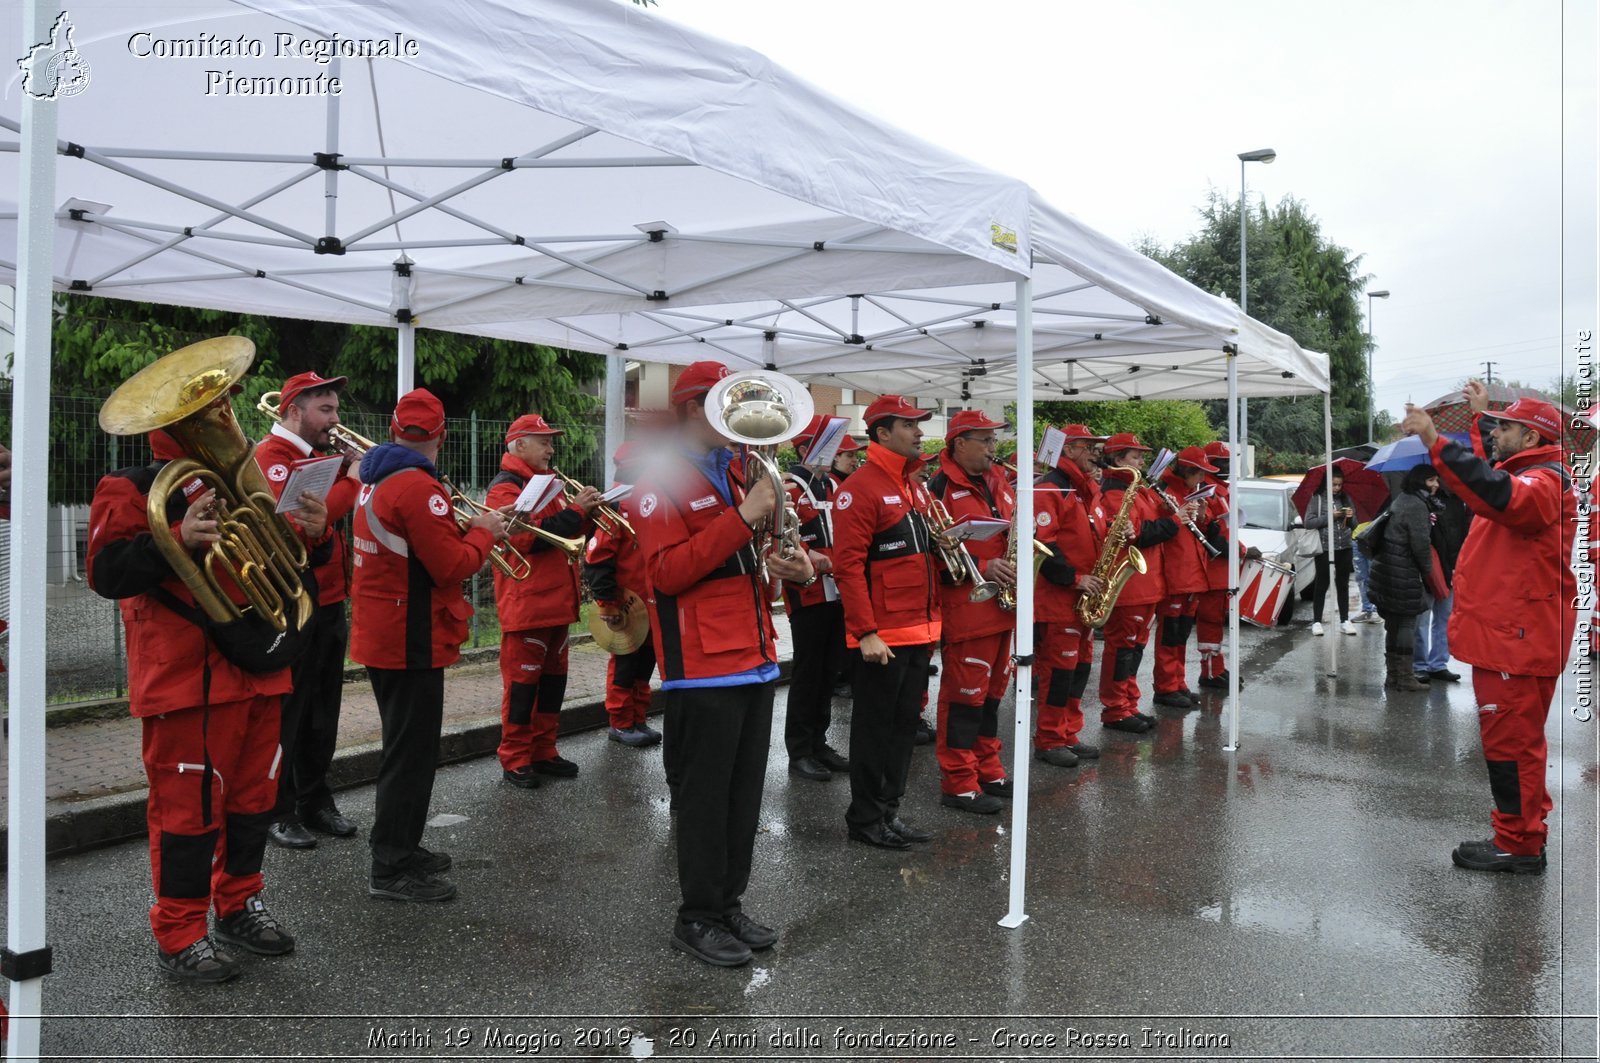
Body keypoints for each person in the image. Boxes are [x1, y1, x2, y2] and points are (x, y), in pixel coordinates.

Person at [88, 403, 326, 982]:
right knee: (187, 815)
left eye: (222, 403)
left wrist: (312, 537)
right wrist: (174, 537)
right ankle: (180, 933)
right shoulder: (130, 487)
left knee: (254, 800)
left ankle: (239, 902)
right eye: (205, 408)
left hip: (259, 667)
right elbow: (104, 572)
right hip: (186, 678)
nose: (223, 412)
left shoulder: (238, 481)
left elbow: (280, 561)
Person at [633, 361, 814, 967]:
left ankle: (728, 902)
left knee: (743, 797)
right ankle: (698, 915)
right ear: (692, 410)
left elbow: (741, 565)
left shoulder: (738, 471)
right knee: (708, 801)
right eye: (725, 408)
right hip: (704, 663)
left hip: (754, 654)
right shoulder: (658, 478)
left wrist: (786, 567)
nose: (743, 424)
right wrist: (744, 517)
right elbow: (667, 574)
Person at [1403, 384, 1576, 874]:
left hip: (1516, 642)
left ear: (1530, 435)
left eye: (1504, 426)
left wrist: (1438, 440)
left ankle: (1519, 845)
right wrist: (1480, 419)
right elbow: (1493, 478)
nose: (1495, 433)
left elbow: (1496, 491)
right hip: (1513, 638)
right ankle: (1519, 834)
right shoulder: (1533, 472)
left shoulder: (1543, 483)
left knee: (1512, 748)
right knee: (1515, 745)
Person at [351, 389, 507, 902]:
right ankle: (391, 866)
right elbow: (452, 566)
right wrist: (484, 532)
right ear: (442, 435)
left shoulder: (374, 478)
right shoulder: (419, 488)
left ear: (395, 430)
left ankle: (401, 846)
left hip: (386, 630)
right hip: (409, 636)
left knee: (408, 751)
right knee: (411, 756)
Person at [255, 371, 362, 850]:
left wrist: (345, 470)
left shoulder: (315, 457)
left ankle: (316, 800)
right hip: (293, 605)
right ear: (294, 410)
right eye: (326, 410)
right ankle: (277, 810)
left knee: (323, 711)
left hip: (330, 601)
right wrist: (352, 480)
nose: (335, 420)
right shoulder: (273, 458)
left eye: (335, 409)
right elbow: (307, 521)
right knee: (289, 713)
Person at [832, 395, 941, 848]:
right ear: (882, 433)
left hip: (919, 628)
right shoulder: (861, 487)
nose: (919, 432)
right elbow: (848, 567)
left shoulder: (913, 483)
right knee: (876, 729)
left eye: (919, 425)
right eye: (910, 425)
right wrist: (866, 632)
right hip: (885, 635)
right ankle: (865, 818)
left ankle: (888, 811)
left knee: (903, 730)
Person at [487, 414, 600, 788]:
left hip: (556, 604)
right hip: (528, 605)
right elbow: (529, 538)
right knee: (522, 688)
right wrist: (576, 512)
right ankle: (515, 757)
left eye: (551, 441)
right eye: (543, 441)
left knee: (553, 684)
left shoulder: (545, 484)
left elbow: (568, 529)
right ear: (519, 444)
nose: (551, 449)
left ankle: (544, 749)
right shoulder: (506, 489)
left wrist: (590, 515)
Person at [927, 410, 1016, 813]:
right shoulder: (938, 487)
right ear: (960, 443)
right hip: (968, 608)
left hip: (1002, 606)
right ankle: (959, 782)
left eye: (994, 441)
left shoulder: (999, 481)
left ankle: (987, 766)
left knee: (993, 695)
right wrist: (982, 568)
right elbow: (931, 553)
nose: (993, 449)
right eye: (986, 441)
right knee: (965, 698)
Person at [780, 415, 852, 781]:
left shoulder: (834, 488)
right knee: (808, 673)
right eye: (830, 446)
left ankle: (819, 742)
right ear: (807, 450)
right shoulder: (789, 488)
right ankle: (800, 750)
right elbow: (779, 538)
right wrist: (809, 552)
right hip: (807, 593)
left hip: (838, 590)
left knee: (829, 670)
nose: (838, 453)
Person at [1031, 424, 1107, 766]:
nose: (1096, 452)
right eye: (1089, 446)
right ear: (1071, 449)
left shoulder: (1086, 488)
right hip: (1061, 597)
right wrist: (1075, 579)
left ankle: (1068, 734)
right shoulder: (1051, 487)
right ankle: (1049, 739)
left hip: (1085, 598)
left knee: (1079, 670)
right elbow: (1042, 544)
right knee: (1059, 672)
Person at [1095, 433, 1180, 734]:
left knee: (1135, 648)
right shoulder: (1114, 493)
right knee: (1121, 649)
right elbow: (1140, 534)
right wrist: (1175, 521)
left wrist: (1171, 510)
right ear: (1118, 460)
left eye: (1142, 456)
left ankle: (1129, 703)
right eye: (1136, 457)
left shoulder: (1137, 489)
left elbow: (1154, 519)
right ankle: (1115, 709)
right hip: (1130, 587)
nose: (1142, 462)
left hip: (1147, 584)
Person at [582, 442, 661, 747]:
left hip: (649, 599)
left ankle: (638, 718)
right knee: (626, 663)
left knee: (645, 663)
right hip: (627, 601)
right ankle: (620, 722)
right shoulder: (615, 504)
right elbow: (598, 557)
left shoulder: (645, 499)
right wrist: (606, 603)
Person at [1151, 446, 1218, 708]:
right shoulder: (1164, 492)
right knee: (1169, 635)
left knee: (1180, 635)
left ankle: (1178, 682)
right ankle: (1166, 686)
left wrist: (1201, 515)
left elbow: (1199, 527)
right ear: (1188, 470)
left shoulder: (1191, 492)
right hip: (1175, 575)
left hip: (1192, 575)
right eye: (1200, 473)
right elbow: (1163, 529)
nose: (1202, 479)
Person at [1365, 464, 1435, 692]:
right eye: (1431, 480)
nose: (1436, 484)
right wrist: (1427, 571)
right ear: (1419, 481)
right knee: (1406, 622)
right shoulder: (1416, 505)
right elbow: (1421, 545)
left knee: (1393, 625)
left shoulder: (1403, 498)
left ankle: (1393, 676)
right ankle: (1404, 677)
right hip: (1402, 571)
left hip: (1387, 569)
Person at [1413, 479, 1469, 684]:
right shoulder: (1421, 501)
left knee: (1444, 617)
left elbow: (1464, 534)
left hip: (1453, 567)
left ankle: (1438, 664)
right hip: (1430, 568)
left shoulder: (1460, 500)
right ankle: (1419, 664)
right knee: (1422, 619)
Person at [1305, 467, 1359, 637]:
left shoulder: (1346, 498)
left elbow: (1355, 525)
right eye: (1334, 485)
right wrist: (1331, 516)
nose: (1336, 488)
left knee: (1342, 584)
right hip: (1324, 548)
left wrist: (1349, 517)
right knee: (1322, 584)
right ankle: (1317, 621)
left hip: (1345, 546)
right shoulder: (1317, 498)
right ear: (1326, 484)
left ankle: (1345, 620)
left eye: (1339, 485)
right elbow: (1308, 522)